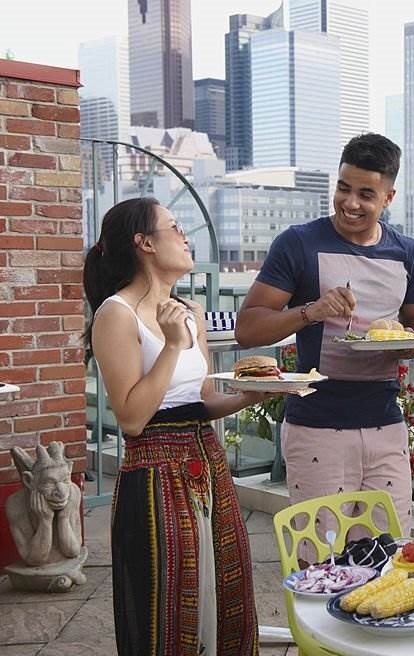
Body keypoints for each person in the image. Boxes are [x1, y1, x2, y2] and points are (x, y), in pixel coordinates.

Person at [83, 197, 263, 655]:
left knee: (226, 595)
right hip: (154, 473)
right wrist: (170, 346)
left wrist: (250, 396)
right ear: (144, 243)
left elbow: (199, 400)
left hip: (208, 461)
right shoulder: (114, 314)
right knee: (166, 609)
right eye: (175, 227)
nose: (185, 237)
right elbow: (131, 417)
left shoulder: (189, 310)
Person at [235, 133, 414, 536]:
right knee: (321, 563)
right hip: (317, 427)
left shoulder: (406, 252)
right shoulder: (299, 243)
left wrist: (407, 345)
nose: (350, 203)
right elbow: (248, 327)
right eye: (343, 188)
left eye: (365, 194)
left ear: (388, 198)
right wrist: (312, 311)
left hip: (387, 425)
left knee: (390, 560)